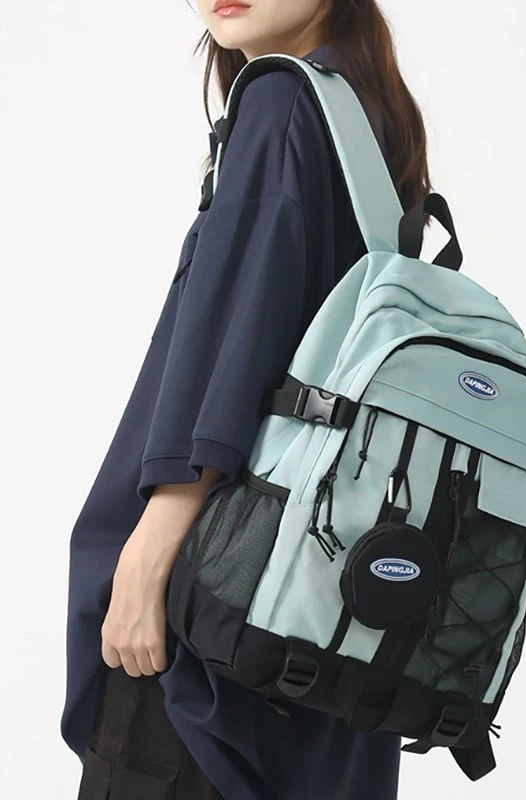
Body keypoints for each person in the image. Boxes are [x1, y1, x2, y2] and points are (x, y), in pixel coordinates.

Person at [61, 2, 431, 798]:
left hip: (213, 617)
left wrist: (149, 551)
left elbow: (232, 341)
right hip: (328, 617)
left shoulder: (282, 101)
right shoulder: (371, 117)